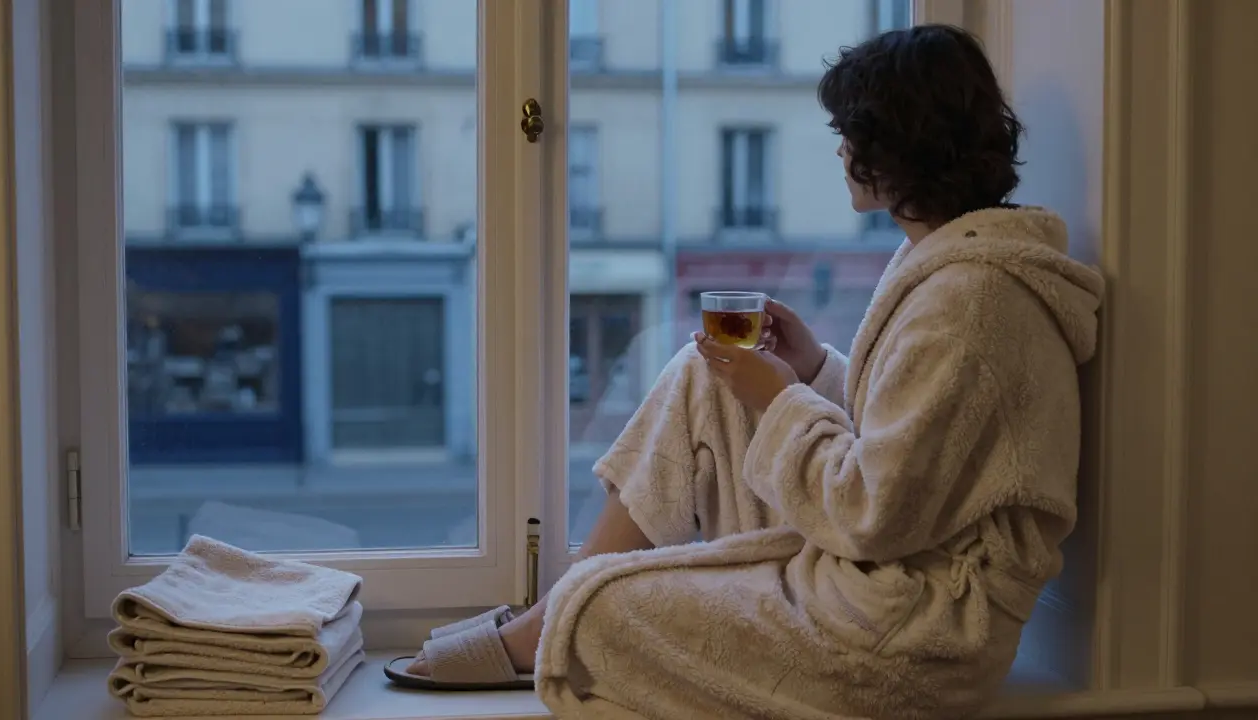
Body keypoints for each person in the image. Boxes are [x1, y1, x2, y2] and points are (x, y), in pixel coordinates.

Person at [387, 23, 1104, 720]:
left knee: (601, 612)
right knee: (708, 378)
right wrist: (814, 370)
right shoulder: (953, 268)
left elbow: (877, 513)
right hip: (881, 579)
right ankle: (547, 616)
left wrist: (785, 399)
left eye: (849, 134)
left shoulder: (973, 301)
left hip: (910, 633)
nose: (841, 151)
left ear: (896, 146)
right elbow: (923, 446)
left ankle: (551, 622)